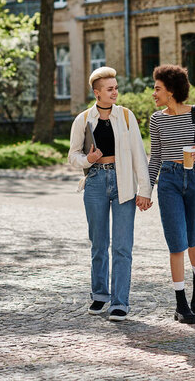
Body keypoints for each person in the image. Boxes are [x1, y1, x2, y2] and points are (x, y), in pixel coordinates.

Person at [68, 66, 152, 321]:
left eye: (116, 87)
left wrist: (145, 190)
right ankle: (100, 295)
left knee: (123, 246)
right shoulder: (83, 119)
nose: (115, 92)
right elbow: (72, 156)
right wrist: (88, 159)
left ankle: (120, 302)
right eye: (110, 88)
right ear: (97, 92)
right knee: (99, 244)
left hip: (124, 183)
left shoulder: (126, 117)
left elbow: (139, 154)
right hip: (94, 182)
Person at [148, 64, 195, 324]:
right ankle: (180, 304)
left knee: (194, 236)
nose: (154, 93)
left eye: (157, 89)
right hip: (169, 181)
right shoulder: (157, 118)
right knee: (176, 241)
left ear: (171, 91)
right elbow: (155, 158)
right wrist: (147, 190)